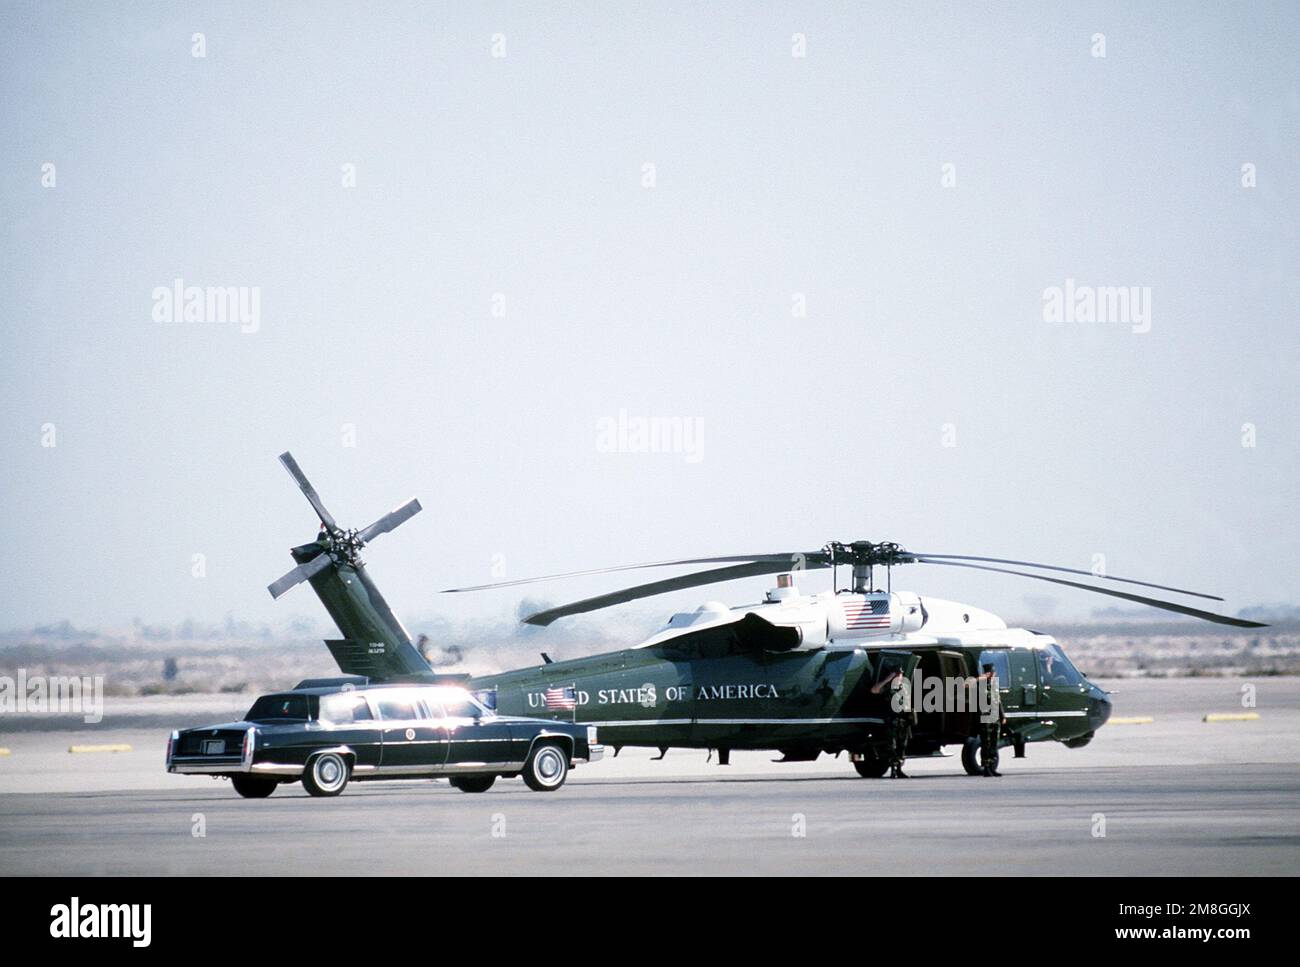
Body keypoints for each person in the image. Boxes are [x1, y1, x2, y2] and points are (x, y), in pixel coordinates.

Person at [872, 669, 915, 778]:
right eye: (897, 675)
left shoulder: (904, 688)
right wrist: (887, 679)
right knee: (892, 747)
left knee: (902, 746)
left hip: (903, 722)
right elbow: (874, 690)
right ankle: (893, 770)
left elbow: (908, 702)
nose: (899, 677)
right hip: (892, 721)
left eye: (900, 675)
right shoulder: (888, 688)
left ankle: (899, 769)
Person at [977, 664, 1005, 777]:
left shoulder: (994, 685)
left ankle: (992, 766)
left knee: (994, 743)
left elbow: (998, 701)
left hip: (995, 717)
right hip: (986, 717)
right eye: (991, 673)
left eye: (994, 673)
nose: (993, 675)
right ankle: (986, 767)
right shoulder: (981, 684)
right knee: (986, 743)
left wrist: (1002, 716)